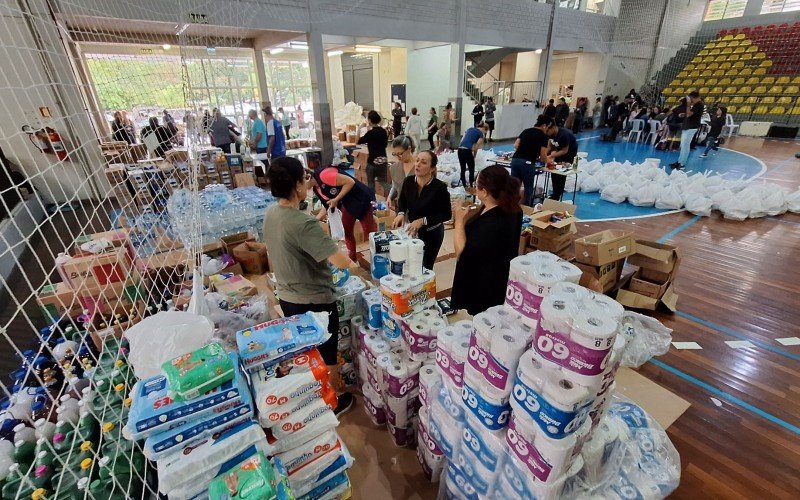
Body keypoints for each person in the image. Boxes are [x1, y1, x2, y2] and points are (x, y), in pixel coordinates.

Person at [262, 157, 354, 415]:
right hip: (315, 300)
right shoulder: (304, 223)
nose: (308, 183)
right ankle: (333, 400)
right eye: (304, 179)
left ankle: (311, 392)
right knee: (327, 351)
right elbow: (342, 262)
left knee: (306, 348)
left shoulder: (272, 213)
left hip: (288, 297)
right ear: (296, 185)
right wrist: (335, 244)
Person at [451, 165, 522, 315]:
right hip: (500, 276)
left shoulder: (492, 224)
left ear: (485, 192)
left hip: (482, 285)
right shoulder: (513, 208)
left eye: (477, 186)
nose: (475, 189)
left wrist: (459, 221)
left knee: (480, 319)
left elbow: (461, 254)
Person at [392, 151, 452, 270]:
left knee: (426, 266)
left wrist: (423, 220)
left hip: (432, 232)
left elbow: (446, 214)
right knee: (411, 263)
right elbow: (402, 200)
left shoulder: (439, 187)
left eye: (423, 162)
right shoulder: (408, 181)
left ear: (432, 168)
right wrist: (401, 213)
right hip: (412, 231)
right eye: (417, 160)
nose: (418, 164)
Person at [311, 165, 377, 262]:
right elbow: (328, 205)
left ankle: (378, 258)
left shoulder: (324, 175)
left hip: (361, 198)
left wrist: (336, 199)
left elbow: (350, 181)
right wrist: (316, 219)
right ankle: (352, 260)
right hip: (348, 202)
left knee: (369, 232)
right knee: (346, 230)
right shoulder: (316, 188)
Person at [510, 114, 553, 206]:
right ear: (544, 125)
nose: (547, 130)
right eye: (547, 128)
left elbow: (516, 145)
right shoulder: (543, 136)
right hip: (527, 163)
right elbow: (543, 156)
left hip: (515, 160)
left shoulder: (526, 131)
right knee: (528, 189)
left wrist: (525, 149)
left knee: (514, 186)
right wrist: (549, 161)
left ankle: (511, 206)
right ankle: (526, 209)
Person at [357, 110, 389, 194]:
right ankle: (393, 198)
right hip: (383, 159)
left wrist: (359, 128)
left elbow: (357, 141)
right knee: (384, 182)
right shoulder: (384, 131)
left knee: (371, 184)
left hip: (372, 161)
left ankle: (373, 203)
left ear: (370, 120)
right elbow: (385, 145)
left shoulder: (370, 133)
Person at [670, 90, 703, 170]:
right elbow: (691, 114)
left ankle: (682, 164)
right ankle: (679, 161)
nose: (690, 101)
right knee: (683, 145)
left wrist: (688, 105)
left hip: (691, 127)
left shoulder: (699, 104)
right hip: (688, 126)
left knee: (685, 146)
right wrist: (684, 114)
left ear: (692, 97)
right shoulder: (696, 105)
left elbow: (689, 114)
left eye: (690, 99)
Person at [546, 125, 578, 201]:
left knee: (561, 173)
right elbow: (549, 147)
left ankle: (558, 194)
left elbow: (564, 151)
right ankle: (555, 193)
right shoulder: (551, 135)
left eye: (547, 131)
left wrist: (550, 156)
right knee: (554, 171)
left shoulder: (564, 135)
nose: (546, 133)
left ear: (553, 128)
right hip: (559, 152)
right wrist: (544, 155)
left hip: (568, 154)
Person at [388, 135, 416, 211]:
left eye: (400, 154)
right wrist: (390, 197)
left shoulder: (419, 166)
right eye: (395, 154)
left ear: (409, 149)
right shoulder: (395, 168)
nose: (398, 157)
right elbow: (395, 185)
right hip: (401, 210)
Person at [457, 122, 488, 188]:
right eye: (486, 132)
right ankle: (471, 186)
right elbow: (477, 146)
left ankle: (464, 186)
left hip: (460, 149)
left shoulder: (469, 129)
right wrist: (474, 156)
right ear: (484, 129)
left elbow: (462, 139)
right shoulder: (480, 133)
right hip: (467, 150)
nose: (485, 133)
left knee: (463, 168)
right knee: (471, 169)